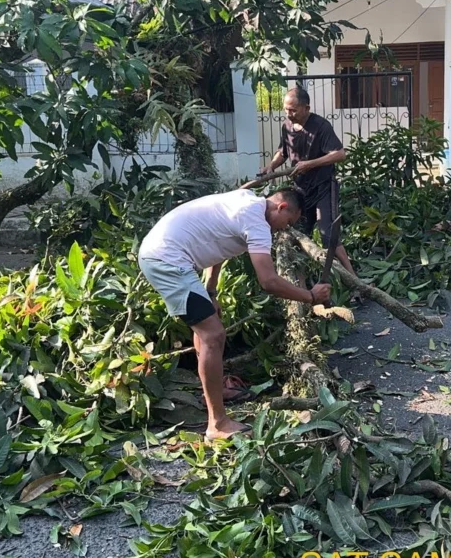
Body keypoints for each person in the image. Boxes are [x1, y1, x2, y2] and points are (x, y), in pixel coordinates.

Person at [138, 187, 331, 440]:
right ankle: (216, 424)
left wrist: (211, 289)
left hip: (163, 254)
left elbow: (220, 246)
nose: (284, 229)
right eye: (288, 222)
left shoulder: (244, 202)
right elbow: (268, 281)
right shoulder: (257, 220)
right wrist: (311, 296)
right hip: (168, 259)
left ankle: (213, 394)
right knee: (213, 335)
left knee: (207, 330)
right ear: (281, 207)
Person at [258, 86, 355, 275]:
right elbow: (283, 152)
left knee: (329, 235)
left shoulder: (321, 126)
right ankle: (306, 282)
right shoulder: (286, 126)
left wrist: (309, 164)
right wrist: (271, 167)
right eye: (286, 109)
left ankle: (354, 281)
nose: (288, 113)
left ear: (306, 108)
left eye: (293, 110)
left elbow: (339, 154)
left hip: (324, 187)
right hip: (301, 190)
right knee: (301, 233)